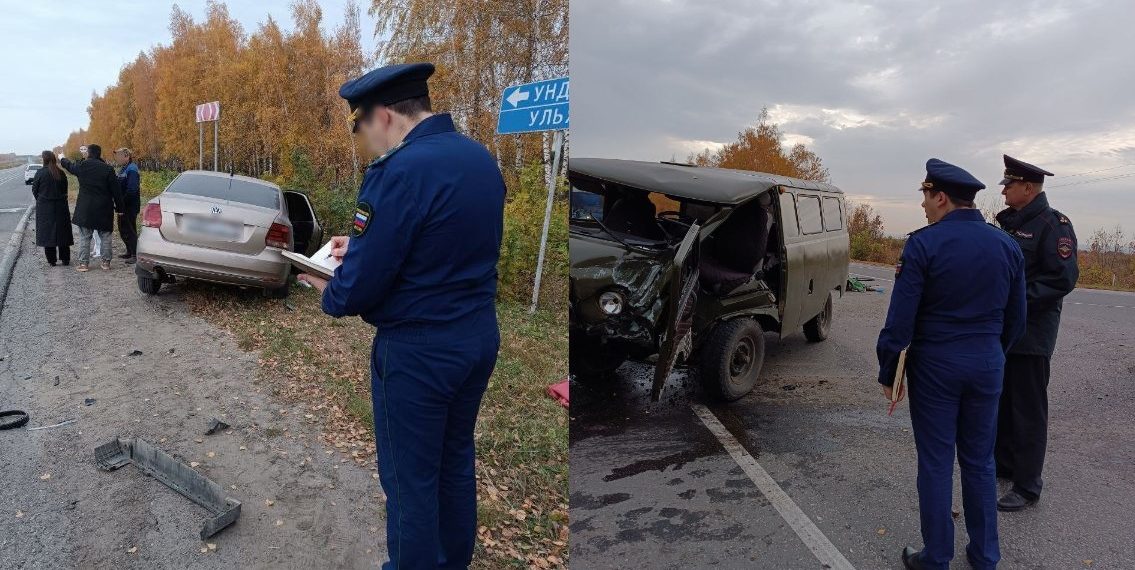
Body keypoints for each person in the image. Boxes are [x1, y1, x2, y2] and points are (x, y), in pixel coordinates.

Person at [296, 62, 505, 569]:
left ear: (383, 115)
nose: (367, 142)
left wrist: (328, 286)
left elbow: (359, 288)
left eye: (362, 128)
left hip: (418, 354)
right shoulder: (480, 160)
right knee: (454, 463)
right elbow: (440, 244)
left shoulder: (397, 172)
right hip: (477, 338)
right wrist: (361, 248)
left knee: (411, 483)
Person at [877, 159, 1026, 570]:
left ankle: (936, 557)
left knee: (937, 462)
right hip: (987, 363)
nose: (923, 205)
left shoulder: (924, 244)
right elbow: (1018, 320)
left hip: (936, 367)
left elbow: (900, 320)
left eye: (926, 196)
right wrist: (991, 354)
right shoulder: (1006, 245)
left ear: (941, 197)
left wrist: (889, 371)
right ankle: (985, 556)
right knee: (980, 461)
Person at [993, 155, 1078, 512]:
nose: (1004, 191)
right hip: (1006, 331)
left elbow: (1061, 279)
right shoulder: (1011, 223)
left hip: (1032, 334)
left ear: (1027, 188)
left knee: (1028, 409)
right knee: (1003, 401)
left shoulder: (1053, 225)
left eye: (1009, 185)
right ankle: (1005, 464)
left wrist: (1015, 301)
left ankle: (1027, 485)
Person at [61, 144, 124, 272]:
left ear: (88, 153)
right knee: (105, 236)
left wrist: (62, 158)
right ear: (99, 154)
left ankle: (84, 264)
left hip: (86, 208)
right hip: (104, 208)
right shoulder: (108, 169)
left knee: (85, 237)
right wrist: (120, 208)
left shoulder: (82, 166)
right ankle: (106, 263)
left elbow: (69, 166)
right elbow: (116, 191)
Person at [30, 151, 73, 266]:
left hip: (45, 208)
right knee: (63, 232)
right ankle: (65, 259)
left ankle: (51, 260)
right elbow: (65, 190)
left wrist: (42, 200)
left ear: (44, 160)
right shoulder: (61, 173)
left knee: (47, 234)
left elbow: (35, 190)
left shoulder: (40, 173)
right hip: (61, 207)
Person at [114, 148, 141, 264]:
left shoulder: (132, 169)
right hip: (123, 205)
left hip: (129, 206)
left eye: (120, 156)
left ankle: (135, 254)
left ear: (127, 156)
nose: (117, 158)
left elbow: (132, 190)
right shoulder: (123, 169)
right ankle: (129, 251)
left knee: (130, 230)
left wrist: (122, 203)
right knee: (122, 229)